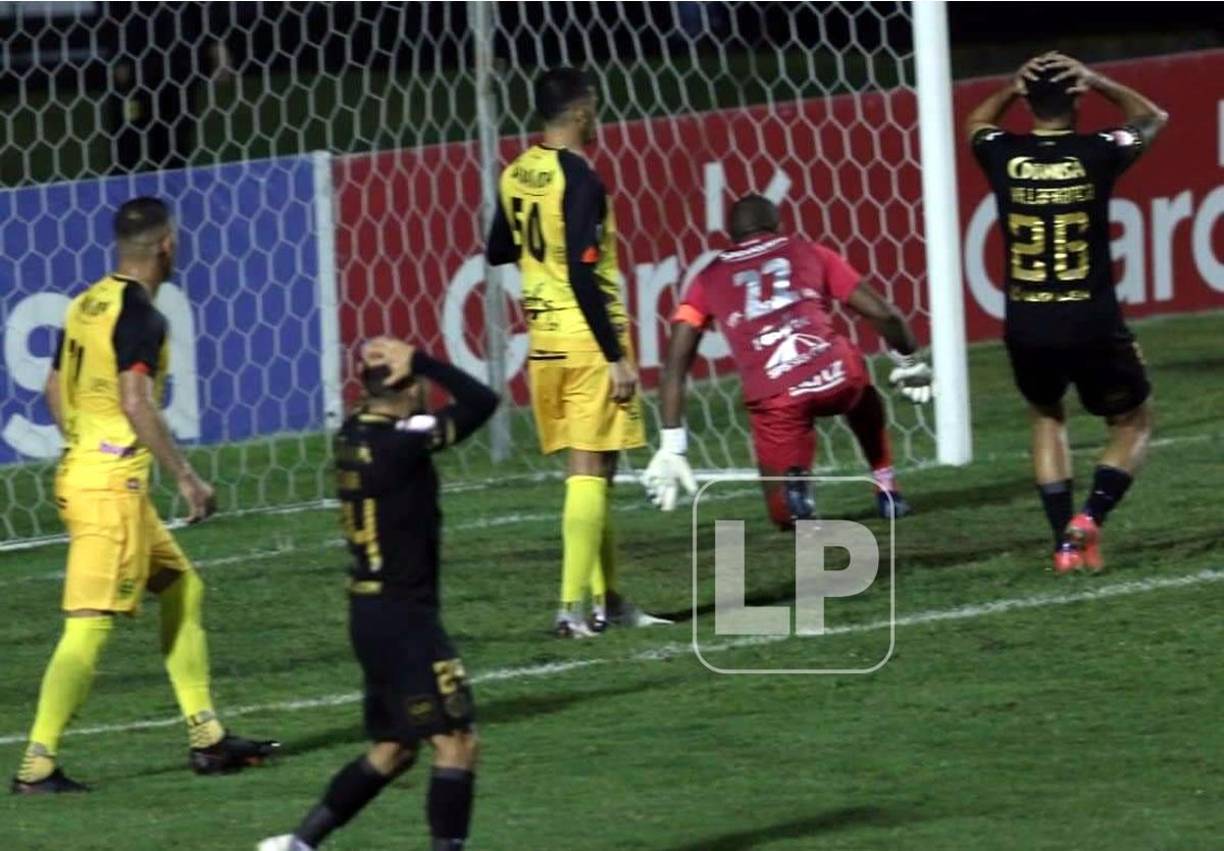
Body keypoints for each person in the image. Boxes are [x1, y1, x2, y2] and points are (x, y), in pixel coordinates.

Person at [12, 197, 277, 795]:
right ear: (167, 245)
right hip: (110, 489)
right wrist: (186, 476)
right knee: (89, 626)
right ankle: (37, 763)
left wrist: (82, 443)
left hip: (91, 475)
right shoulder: (142, 316)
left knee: (183, 585)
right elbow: (136, 401)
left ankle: (207, 738)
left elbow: (56, 385)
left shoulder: (86, 302)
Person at [258, 337, 498, 851]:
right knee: (456, 741)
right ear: (406, 387)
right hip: (405, 619)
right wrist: (425, 361)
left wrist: (397, 371)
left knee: (394, 747)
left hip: (368, 613)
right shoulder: (402, 445)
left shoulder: (353, 435)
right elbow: (483, 401)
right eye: (418, 383)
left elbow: (415, 419)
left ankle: (298, 845)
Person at [965, 52, 1168, 573]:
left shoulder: (1002, 153)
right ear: (1076, 97)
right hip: (1091, 320)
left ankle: (1062, 544)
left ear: (1029, 102)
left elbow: (976, 124)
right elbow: (1152, 117)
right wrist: (1098, 78)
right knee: (1133, 422)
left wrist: (1011, 87)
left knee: (1047, 415)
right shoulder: (1096, 151)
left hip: (1027, 321)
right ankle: (1089, 519)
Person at [485, 67, 667, 637]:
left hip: (543, 341)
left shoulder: (517, 171)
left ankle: (607, 600)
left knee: (598, 471)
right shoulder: (581, 179)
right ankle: (570, 608)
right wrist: (616, 355)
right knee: (589, 469)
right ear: (583, 112)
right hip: (588, 342)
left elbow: (496, 248)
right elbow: (586, 275)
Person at [644, 194, 934, 527]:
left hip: (776, 393)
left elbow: (675, 365)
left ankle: (795, 494)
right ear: (780, 226)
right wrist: (910, 359)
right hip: (833, 371)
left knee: (782, 516)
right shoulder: (808, 250)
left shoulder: (707, 278)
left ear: (732, 238)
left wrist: (672, 445)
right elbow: (882, 312)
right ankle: (887, 488)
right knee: (859, 385)